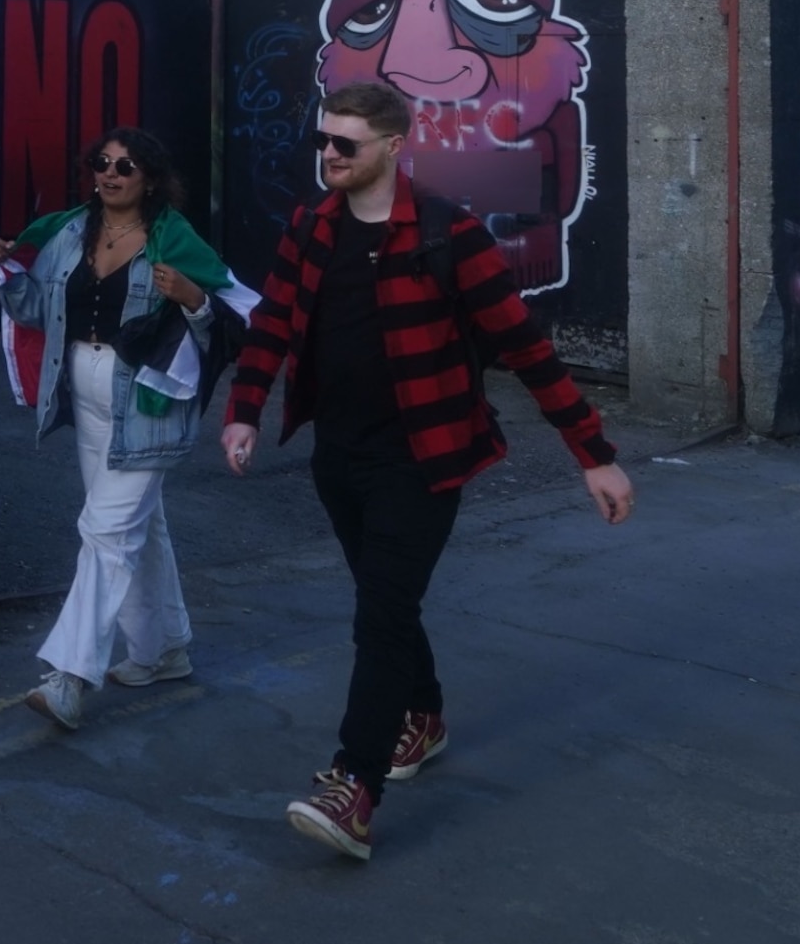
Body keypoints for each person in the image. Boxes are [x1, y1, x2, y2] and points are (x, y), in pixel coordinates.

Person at [220, 80, 634, 863]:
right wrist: (243, 409)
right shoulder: (311, 227)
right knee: (388, 600)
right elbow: (273, 320)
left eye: (345, 144)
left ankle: (354, 786)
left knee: (379, 612)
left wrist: (594, 455)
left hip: (425, 458)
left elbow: (527, 350)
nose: (330, 156)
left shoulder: (450, 235)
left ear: (392, 146)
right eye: (323, 141)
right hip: (338, 455)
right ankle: (426, 712)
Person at [0, 129, 234, 729]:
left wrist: (194, 299)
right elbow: (36, 309)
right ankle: (163, 649)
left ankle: (69, 675)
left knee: (105, 530)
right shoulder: (68, 231)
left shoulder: (172, 237)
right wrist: (6, 272)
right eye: (102, 163)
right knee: (138, 527)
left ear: (149, 176)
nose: (112, 174)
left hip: (148, 405)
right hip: (87, 398)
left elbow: (225, 318)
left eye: (127, 165)